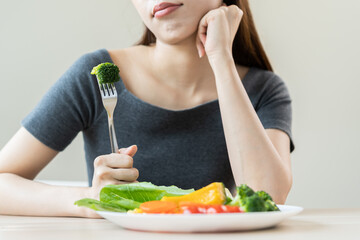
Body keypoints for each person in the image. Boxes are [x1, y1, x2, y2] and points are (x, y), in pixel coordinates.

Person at [0, 0, 294, 218]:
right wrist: (91, 199)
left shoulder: (263, 90)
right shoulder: (98, 75)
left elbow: (267, 199)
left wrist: (221, 59)